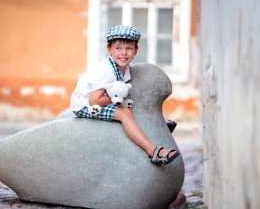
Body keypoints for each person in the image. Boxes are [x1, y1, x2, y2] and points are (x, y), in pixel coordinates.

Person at [70, 25, 180, 165]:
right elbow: (94, 100)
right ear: (109, 49)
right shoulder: (105, 70)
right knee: (124, 113)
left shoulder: (124, 68)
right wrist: (118, 100)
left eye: (128, 48)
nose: (123, 53)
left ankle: (154, 127)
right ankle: (153, 152)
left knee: (131, 101)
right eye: (118, 48)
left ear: (136, 51)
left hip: (99, 101)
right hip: (85, 106)